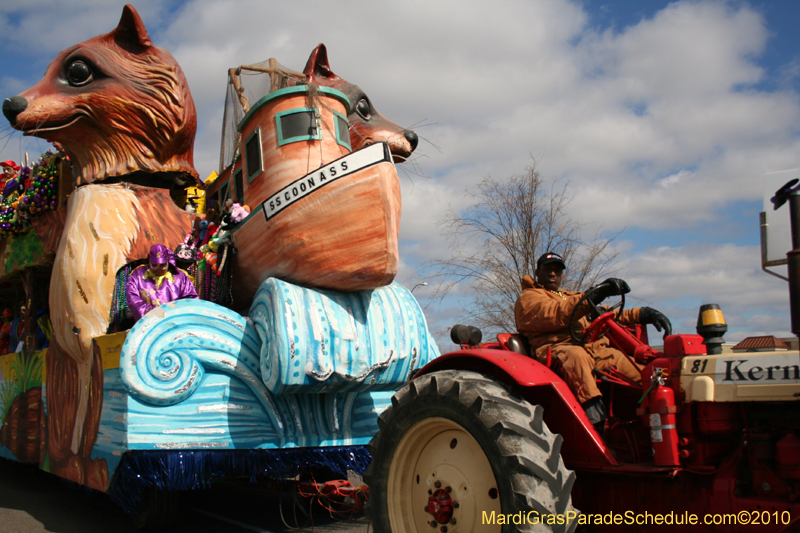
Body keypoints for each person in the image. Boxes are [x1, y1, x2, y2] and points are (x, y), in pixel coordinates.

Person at [514, 252, 672, 430]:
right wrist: (594, 294)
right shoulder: (529, 297)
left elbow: (602, 313)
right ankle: (597, 425)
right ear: (537, 272)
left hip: (595, 351)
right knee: (576, 357)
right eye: (547, 269)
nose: (552, 274)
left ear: (562, 275)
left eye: (557, 270)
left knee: (648, 375)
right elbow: (557, 312)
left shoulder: (566, 295)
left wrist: (643, 313)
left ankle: (659, 413)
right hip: (558, 349)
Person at [126, 243, 198, 321]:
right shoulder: (137, 276)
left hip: (174, 322)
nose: (158, 268)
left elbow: (191, 299)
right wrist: (150, 313)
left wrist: (175, 314)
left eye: (162, 265)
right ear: (149, 262)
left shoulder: (180, 277)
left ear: (167, 260)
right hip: (147, 323)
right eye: (154, 265)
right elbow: (133, 299)